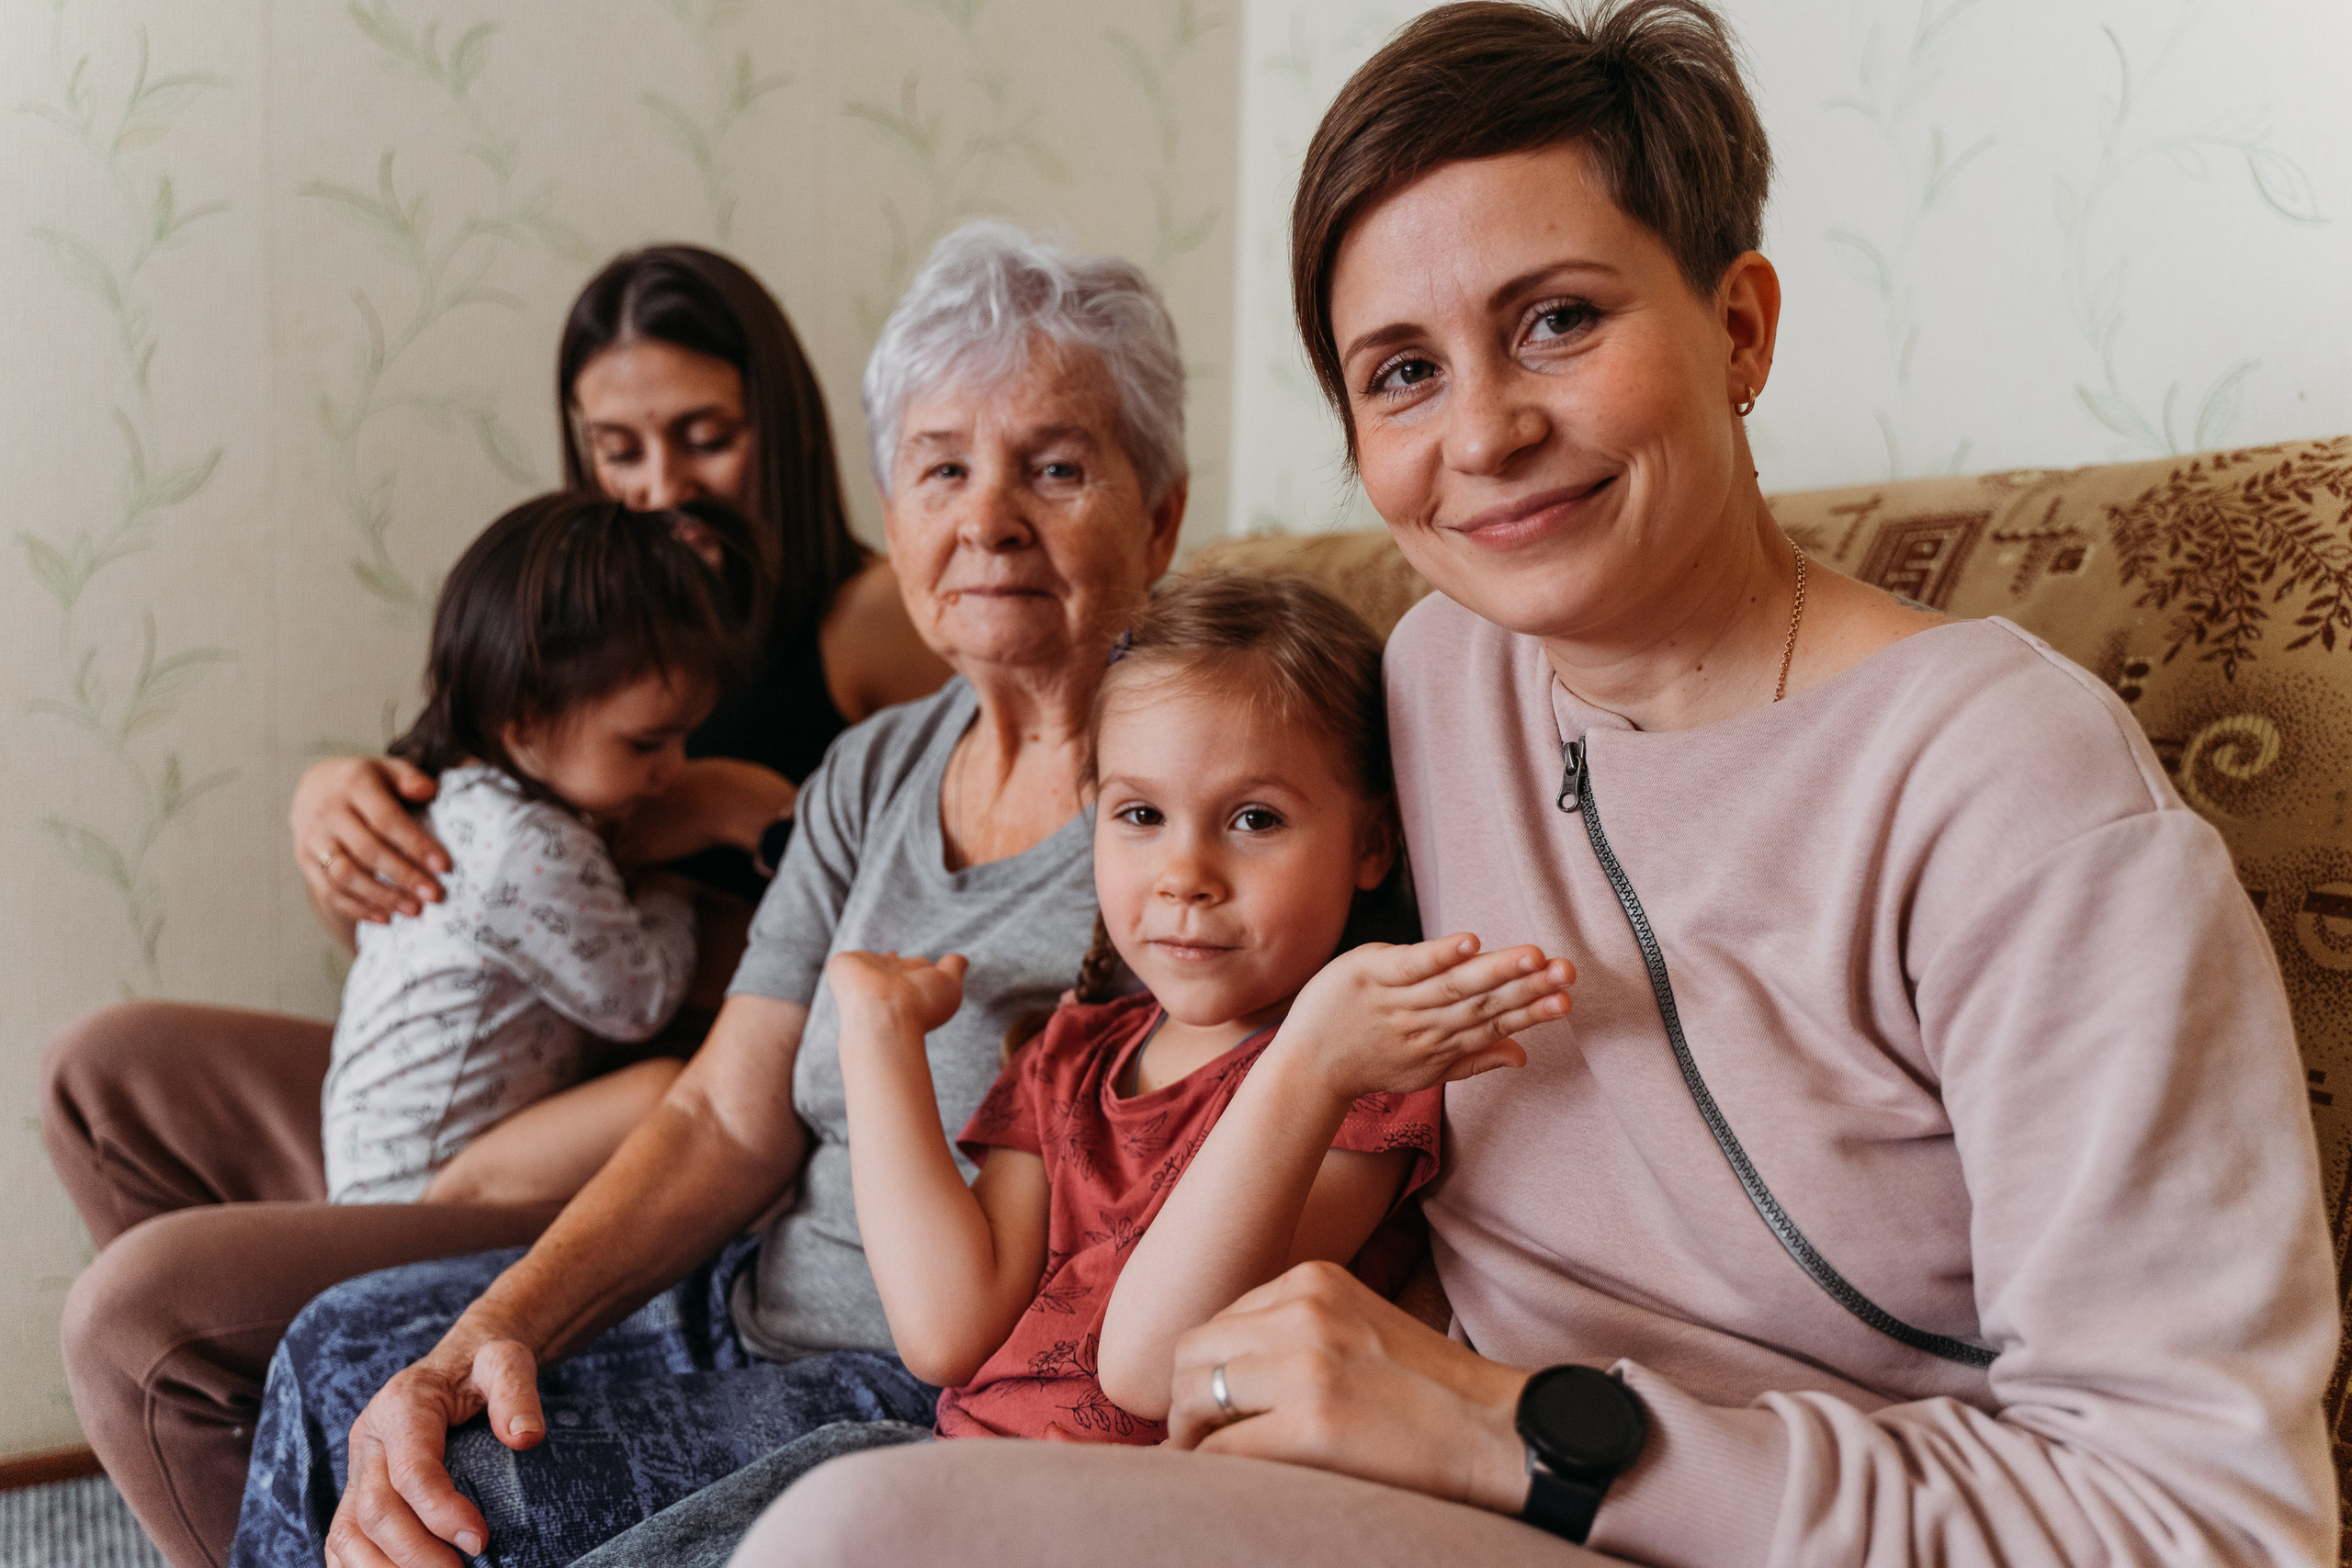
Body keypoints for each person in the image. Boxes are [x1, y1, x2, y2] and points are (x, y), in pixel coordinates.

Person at [737, 5, 2338, 1566]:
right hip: (1403, 1480)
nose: (1487, 431)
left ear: (1739, 327)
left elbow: (2208, 1517)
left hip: (1684, 1500)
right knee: (846, 1528)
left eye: (1559, 319)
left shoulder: (2010, 788)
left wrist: (1517, 1427)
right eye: (1402, 373)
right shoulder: (1435, 678)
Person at [226, 221, 1193, 1568]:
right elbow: (724, 1108)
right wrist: (487, 1337)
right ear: (897, 510)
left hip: (926, 1384)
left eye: (1054, 466)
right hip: (746, 1297)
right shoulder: (872, 767)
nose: (986, 519)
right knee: (347, 1354)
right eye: (941, 467)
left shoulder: (1194, 792)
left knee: (467, 1505)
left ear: (1159, 512)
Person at [39, 245, 944, 1568]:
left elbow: (907, 903)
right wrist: (336, 800)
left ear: (785, 433)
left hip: (650, 1131)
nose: (661, 485)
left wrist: (726, 829)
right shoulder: (584, 597)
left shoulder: (871, 618)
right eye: (617, 447)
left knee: (138, 1313)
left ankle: (269, 1454)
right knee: (101, 1071)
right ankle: (293, 1493)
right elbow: (424, 909)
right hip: (502, 1074)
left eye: (705, 438)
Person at [327, 494, 756, 1208]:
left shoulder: (460, 799)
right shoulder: (529, 846)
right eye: (648, 742)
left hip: (376, 1159)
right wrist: (664, 881)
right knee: (665, 1093)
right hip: (418, 1191)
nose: (676, 768)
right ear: (524, 716)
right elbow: (638, 1001)